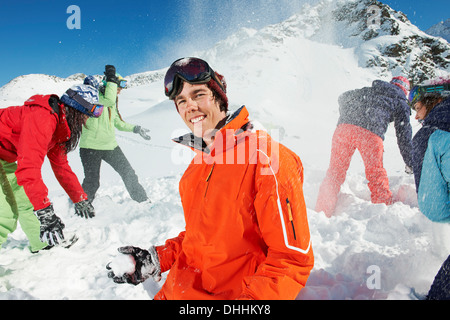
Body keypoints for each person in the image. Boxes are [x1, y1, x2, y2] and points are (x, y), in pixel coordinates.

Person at [106, 57, 314, 300]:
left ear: (219, 97)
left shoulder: (267, 158)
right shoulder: (197, 166)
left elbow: (291, 259)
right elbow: (200, 239)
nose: (189, 106)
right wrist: (156, 259)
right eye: (181, 100)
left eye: (198, 95)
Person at [0, 82, 99, 252]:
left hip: (4, 158)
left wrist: (79, 198)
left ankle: (43, 243)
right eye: (86, 115)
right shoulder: (42, 117)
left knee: (26, 201)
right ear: (76, 109)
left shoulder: (60, 126)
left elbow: (61, 166)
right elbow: (28, 168)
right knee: (5, 214)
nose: (86, 120)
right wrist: (45, 211)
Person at [315, 77, 413, 217]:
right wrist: (410, 162)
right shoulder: (400, 100)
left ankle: (322, 211)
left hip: (344, 129)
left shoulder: (371, 90)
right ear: (405, 90)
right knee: (376, 174)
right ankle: (383, 213)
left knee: (335, 173)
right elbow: (404, 135)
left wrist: (350, 116)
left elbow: (343, 97)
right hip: (370, 134)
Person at [79, 66, 150, 203]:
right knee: (92, 182)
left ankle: (143, 200)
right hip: (90, 147)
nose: (121, 90)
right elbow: (108, 100)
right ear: (110, 83)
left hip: (110, 146)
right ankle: (83, 204)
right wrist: (111, 81)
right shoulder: (92, 96)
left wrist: (135, 128)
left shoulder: (112, 103)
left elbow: (118, 123)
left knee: (128, 173)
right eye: (119, 85)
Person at [409, 78, 450, 300]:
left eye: (418, 108)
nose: (416, 116)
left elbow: (431, 204)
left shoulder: (431, 133)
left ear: (434, 99)